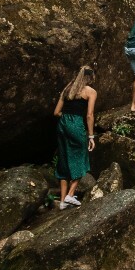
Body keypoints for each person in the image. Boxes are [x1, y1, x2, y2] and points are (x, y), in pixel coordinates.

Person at [53, 66, 96, 210]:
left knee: (64, 159)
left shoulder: (67, 90)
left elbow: (56, 112)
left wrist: (66, 119)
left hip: (62, 124)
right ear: (90, 77)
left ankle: (62, 202)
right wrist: (91, 136)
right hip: (76, 124)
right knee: (82, 158)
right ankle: (70, 195)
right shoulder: (90, 91)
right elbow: (89, 115)